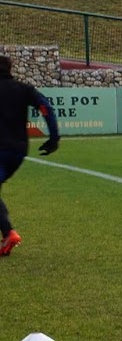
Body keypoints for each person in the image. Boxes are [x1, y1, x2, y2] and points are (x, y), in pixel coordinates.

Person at [0, 55, 61, 257]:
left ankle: (9, 232)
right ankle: (7, 235)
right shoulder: (23, 89)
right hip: (18, 151)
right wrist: (53, 137)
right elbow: (46, 108)